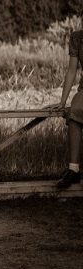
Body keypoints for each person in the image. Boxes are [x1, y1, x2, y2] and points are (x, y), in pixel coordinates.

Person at [53, 29, 83, 189]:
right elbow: (72, 70)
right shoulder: (77, 38)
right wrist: (63, 101)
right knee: (74, 112)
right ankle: (74, 170)